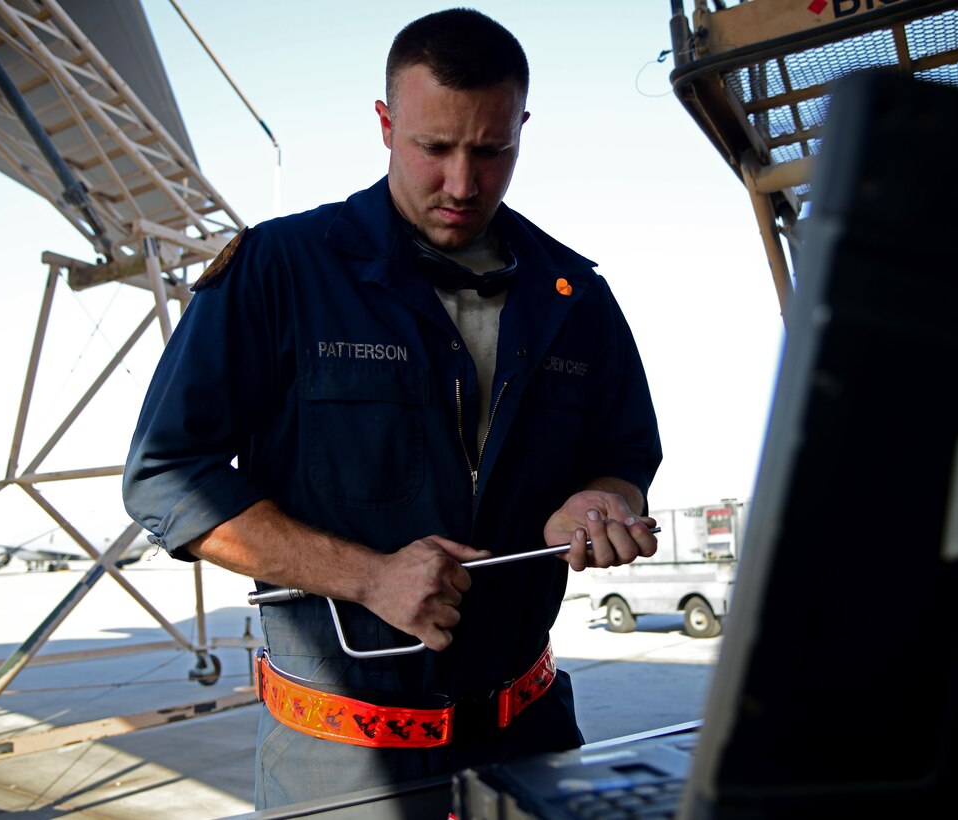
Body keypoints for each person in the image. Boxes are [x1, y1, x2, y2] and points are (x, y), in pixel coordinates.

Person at [123, 7, 661, 810]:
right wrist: (366, 576)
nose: (462, 183)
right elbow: (166, 479)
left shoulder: (574, 293)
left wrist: (602, 500)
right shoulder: (282, 270)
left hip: (532, 735)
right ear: (384, 124)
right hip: (341, 765)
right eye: (434, 147)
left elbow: (625, 453)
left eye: (490, 150)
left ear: (522, 128)